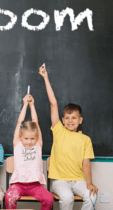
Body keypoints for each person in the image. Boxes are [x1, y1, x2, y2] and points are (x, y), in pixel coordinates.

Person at [39, 64, 98, 209]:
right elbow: (53, 104)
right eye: (67, 118)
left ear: (80, 120)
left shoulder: (86, 139)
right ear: (63, 120)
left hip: (78, 180)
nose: (70, 121)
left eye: (74, 118)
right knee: (67, 198)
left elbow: (86, 164)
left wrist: (89, 182)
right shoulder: (59, 131)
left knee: (92, 195)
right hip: (59, 180)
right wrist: (46, 77)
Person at [4, 94, 54, 209]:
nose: (29, 142)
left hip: (35, 185)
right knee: (9, 197)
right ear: (21, 137)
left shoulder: (38, 145)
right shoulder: (18, 145)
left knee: (49, 199)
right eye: (26, 138)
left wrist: (32, 105)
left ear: (36, 138)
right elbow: (19, 122)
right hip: (18, 184)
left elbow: (35, 122)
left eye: (32, 138)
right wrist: (25, 104)